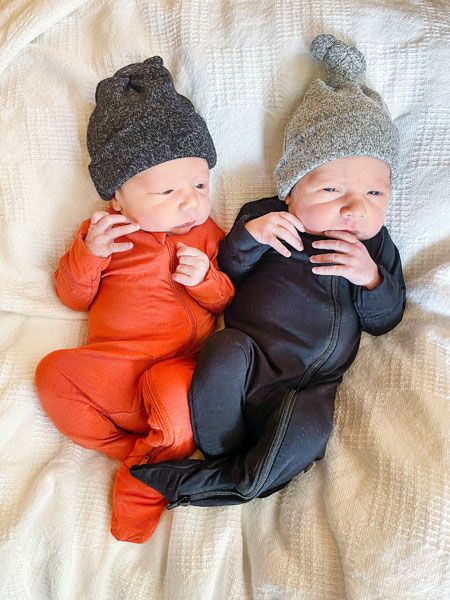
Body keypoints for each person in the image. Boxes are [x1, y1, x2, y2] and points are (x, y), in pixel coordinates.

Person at [131, 35, 406, 508]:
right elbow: (226, 271)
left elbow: (387, 318)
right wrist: (250, 236)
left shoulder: (373, 248)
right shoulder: (266, 217)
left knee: (310, 432)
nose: (354, 209)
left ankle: (216, 483)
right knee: (222, 347)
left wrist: (371, 280)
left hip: (308, 386)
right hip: (249, 358)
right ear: (291, 189)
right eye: (333, 190)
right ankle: (222, 454)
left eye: (375, 195)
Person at [34, 56, 234, 543]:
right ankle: (135, 451)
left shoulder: (206, 235)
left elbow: (226, 299)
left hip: (179, 367)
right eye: (167, 190)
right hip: (115, 370)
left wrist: (205, 278)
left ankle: (145, 483)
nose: (190, 202)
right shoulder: (102, 233)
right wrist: (89, 254)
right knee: (53, 374)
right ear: (117, 197)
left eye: (200, 184)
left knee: (171, 392)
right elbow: (72, 298)